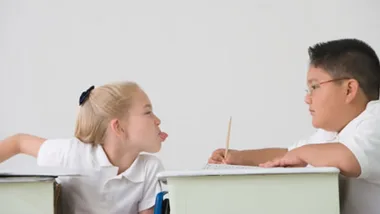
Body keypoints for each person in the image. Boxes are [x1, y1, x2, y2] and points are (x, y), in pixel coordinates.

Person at [208, 38, 380, 214]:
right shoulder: (331, 134)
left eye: (315, 86)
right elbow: (288, 155)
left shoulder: (375, 118)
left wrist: (302, 154)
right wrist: (237, 158)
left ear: (349, 90)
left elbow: (348, 159)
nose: (307, 98)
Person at [0, 81, 168, 214]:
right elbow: (19, 142)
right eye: (148, 112)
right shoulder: (73, 154)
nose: (157, 120)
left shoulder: (150, 168)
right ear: (118, 127)